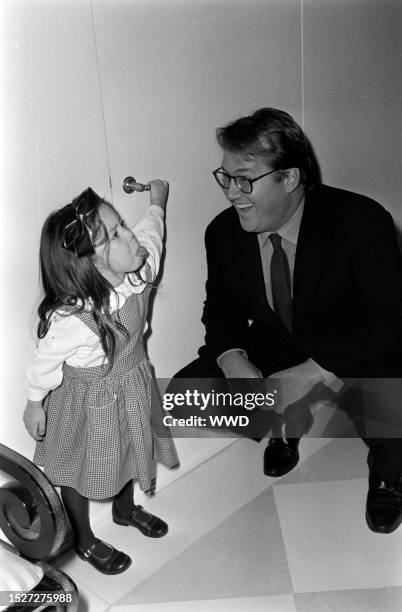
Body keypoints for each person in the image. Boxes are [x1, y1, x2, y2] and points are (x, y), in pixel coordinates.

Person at [172, 107, 402, 533]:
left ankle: (388, 472)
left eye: (244, 179)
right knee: (189, 396)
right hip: (282, 339)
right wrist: (230, 358)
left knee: (394, 401)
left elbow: (391, 323)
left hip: (354, 348)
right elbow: (220, 309)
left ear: (290, 178)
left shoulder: (363, 222)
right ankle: (285, 423)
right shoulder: (222, 233)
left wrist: (312, 373)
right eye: (225, 177)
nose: (231, 193)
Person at [24, 184, 179, 574]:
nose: (130, 236)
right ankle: (84, 539)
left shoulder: (139, 269)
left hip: (131, 386)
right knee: (81, 470)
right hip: (87, 405)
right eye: (115, 235)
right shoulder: (72, 318)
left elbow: (150, 236)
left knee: (131, 449)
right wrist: (33, 401)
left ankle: (125, 511)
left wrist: (156, 205)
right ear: (90, 264)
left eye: (121, 225)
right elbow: (44, 362)